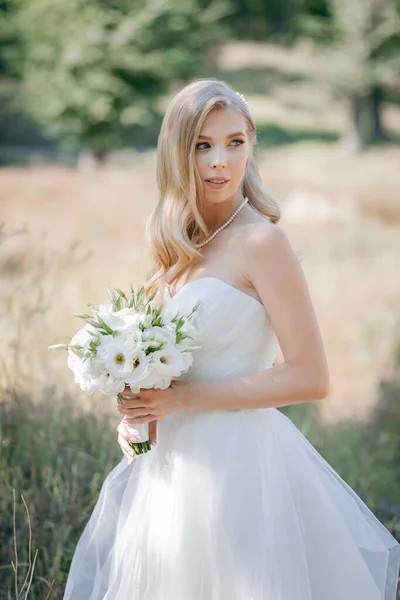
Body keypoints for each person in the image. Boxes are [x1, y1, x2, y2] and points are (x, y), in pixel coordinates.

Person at [63, 78, 400, 599]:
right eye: (203, 145)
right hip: (170, 474)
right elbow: (172, 368)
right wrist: (140, 407)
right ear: (178, 153)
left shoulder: (263, 242)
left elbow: (311, 378)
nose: (220, 160)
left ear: (250, 146)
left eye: (234, 142)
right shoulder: (177, 249)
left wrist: (182, 399)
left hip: (239, 468)